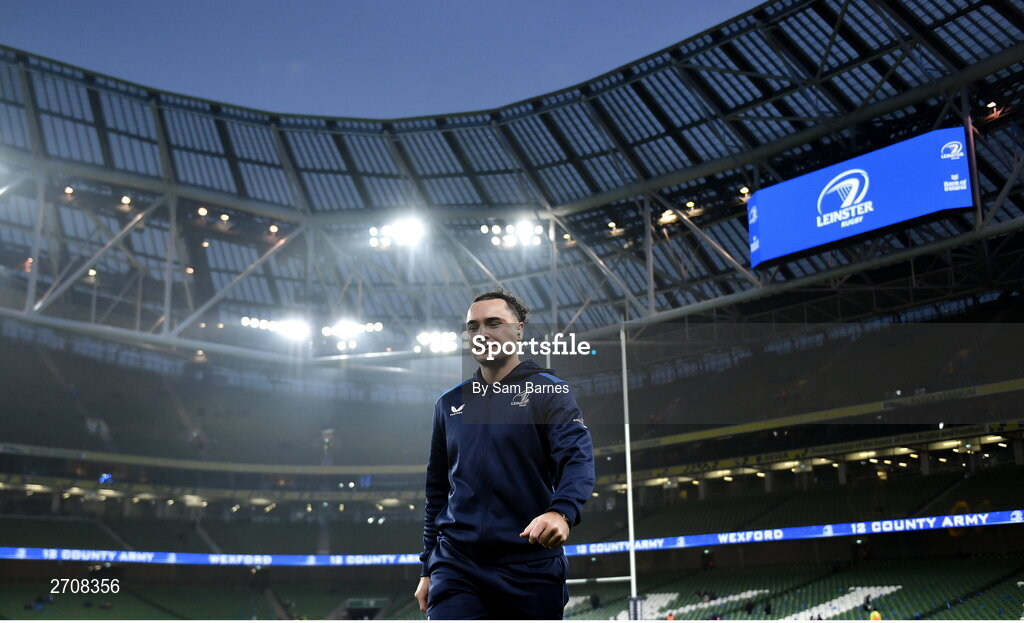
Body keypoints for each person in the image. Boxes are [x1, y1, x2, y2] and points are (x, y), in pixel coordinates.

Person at [413, 289, 596, 619]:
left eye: (494, 323)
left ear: (520, 329)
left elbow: (577, 458)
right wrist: (428, 567)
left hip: (530, 567)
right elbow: (437, 492)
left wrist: (561, 512)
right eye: (473, 327)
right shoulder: (448, 404)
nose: (482, 333)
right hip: (457, 566)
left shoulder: (549, 392)